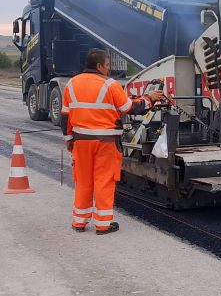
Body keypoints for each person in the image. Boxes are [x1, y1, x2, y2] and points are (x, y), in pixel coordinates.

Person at [62, 49, 164, 235]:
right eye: (107, 65)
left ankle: (79, 221)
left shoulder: (71, 84)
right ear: (99, 66)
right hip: (106, 142)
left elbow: (65, 117)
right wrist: (150, 99)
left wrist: (69, 140)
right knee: (104, 180)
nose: (109, 69)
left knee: (83, 180)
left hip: (81, 142)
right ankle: (102, 224)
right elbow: (130, 108)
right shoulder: (110, 85)